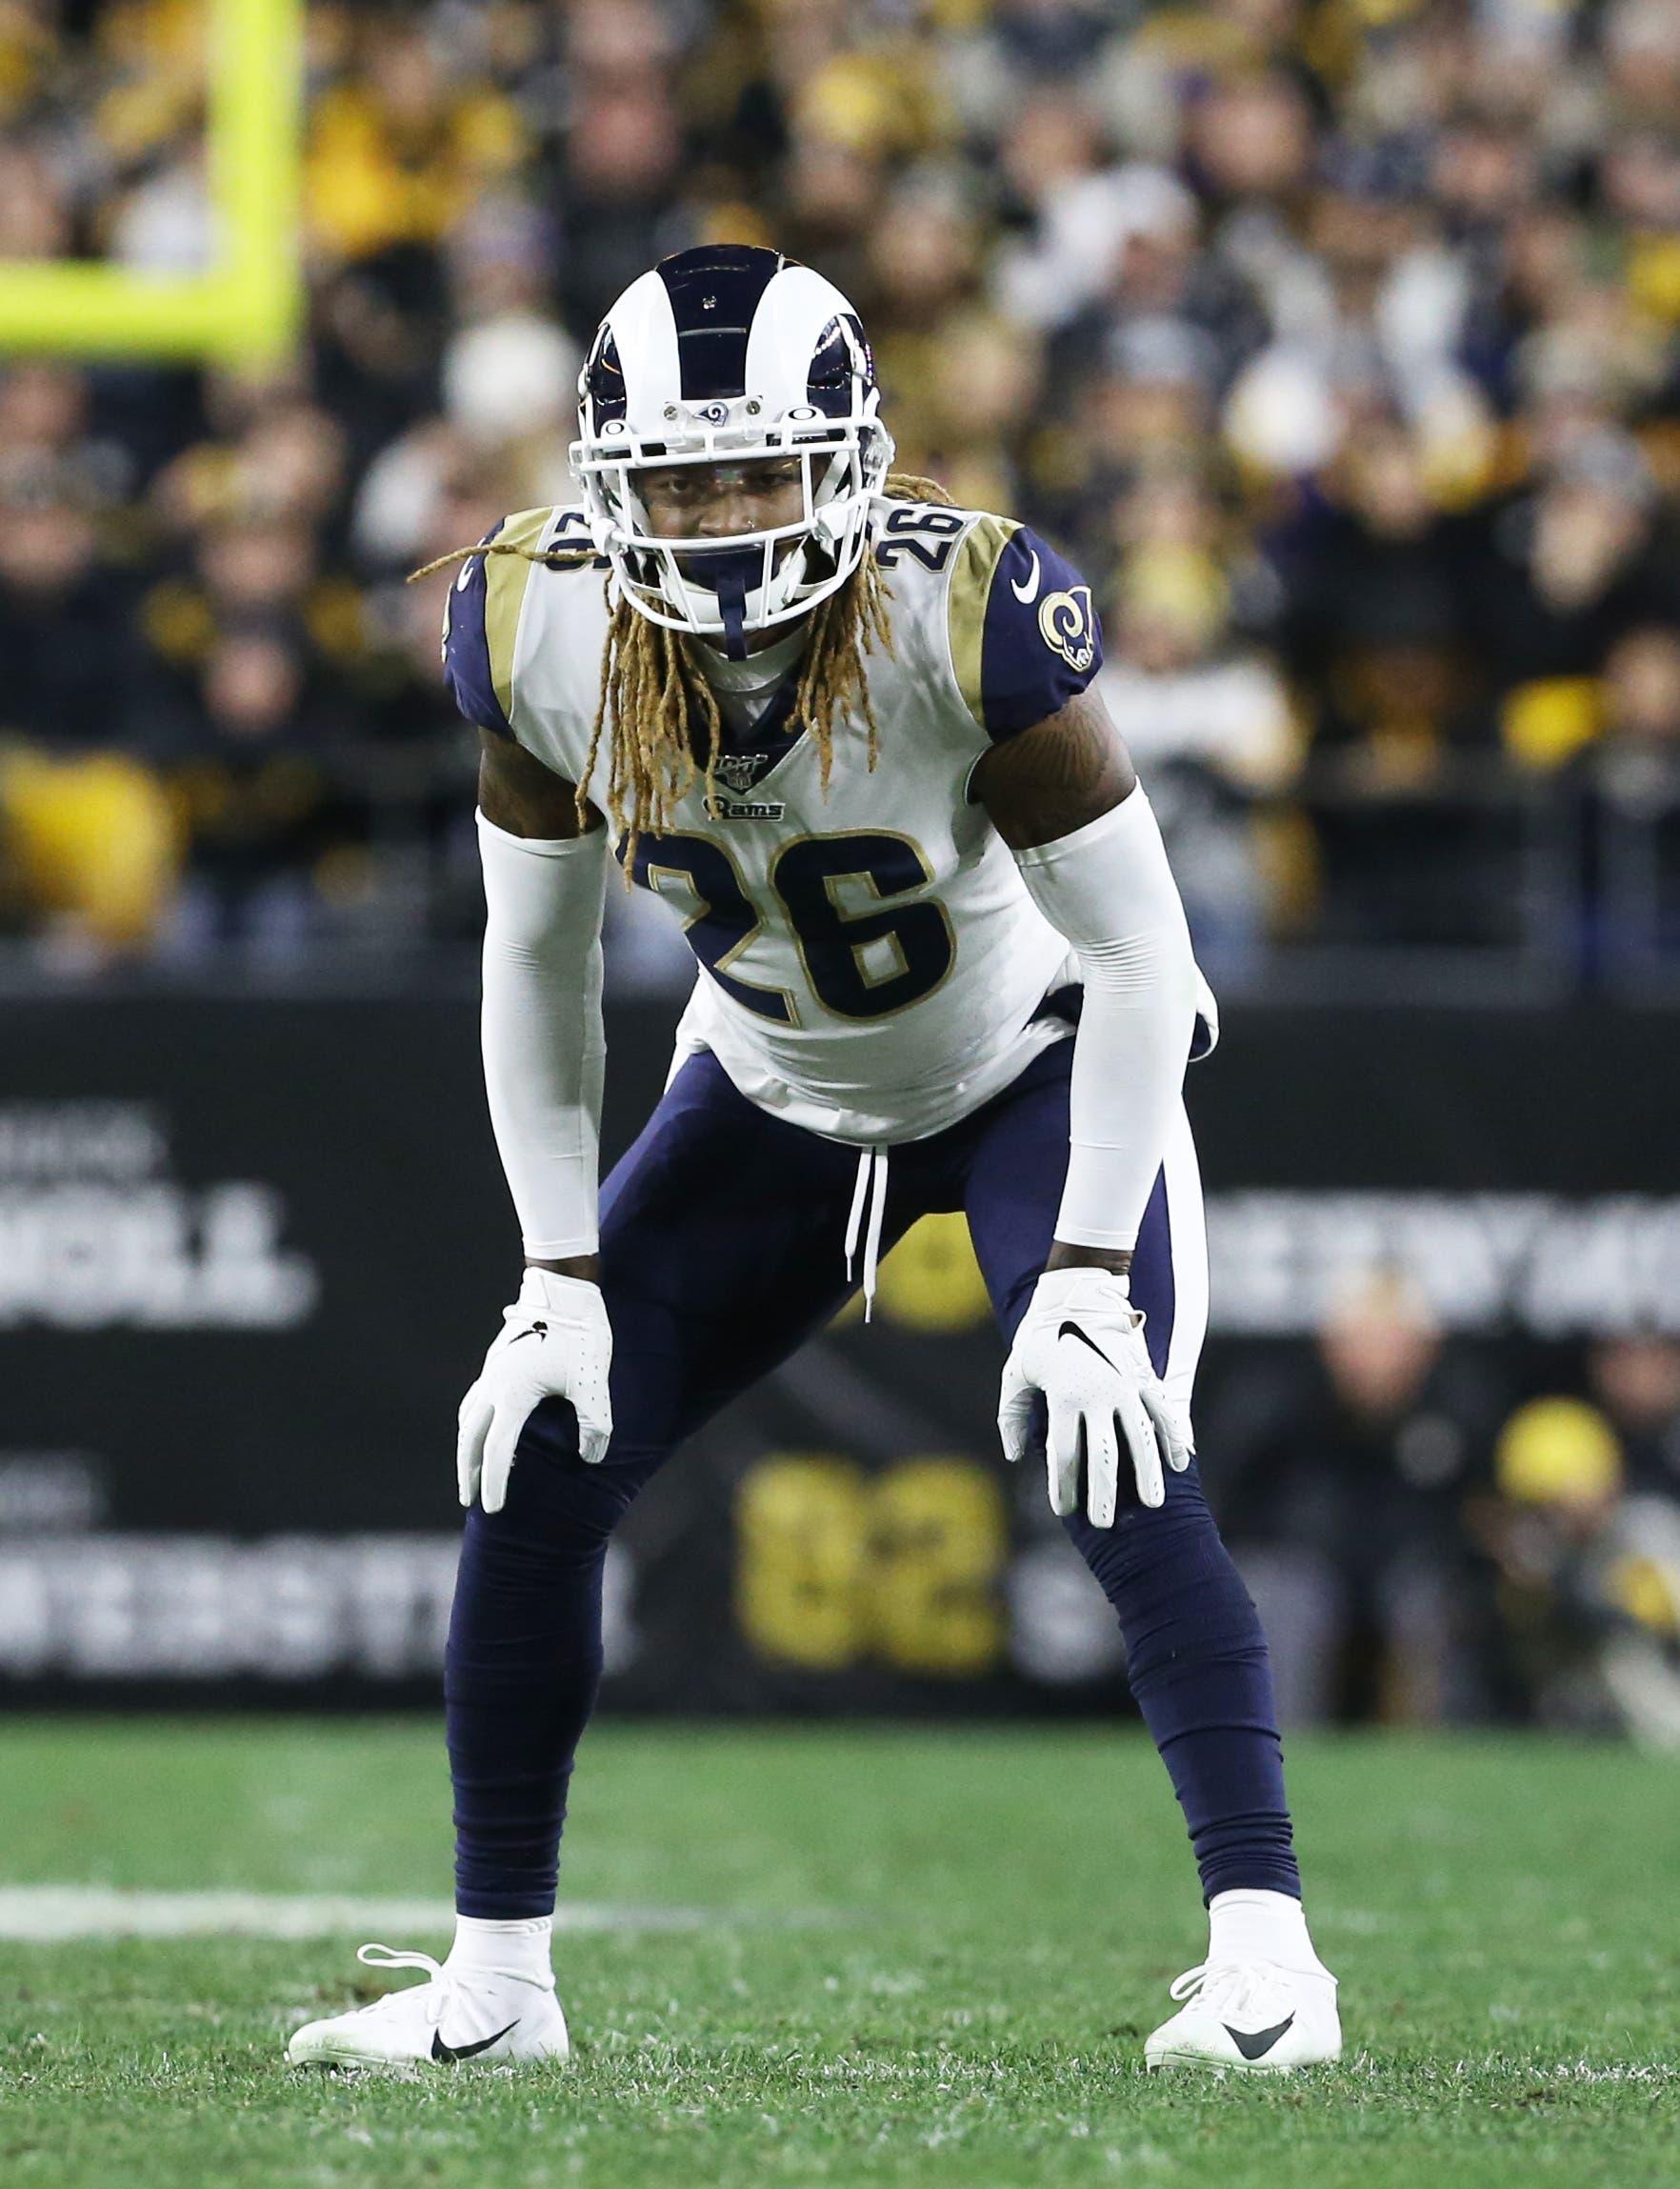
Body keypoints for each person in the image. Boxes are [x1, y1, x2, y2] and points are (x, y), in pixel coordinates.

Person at [285, 246, 1340, 2076]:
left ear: (853, 453)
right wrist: (554, 1273)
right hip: (771, 1086)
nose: (721, 518)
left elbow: (1146, 961)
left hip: (1029, 1068)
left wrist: (1085, 1273)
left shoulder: (973, 610)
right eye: (686, 478)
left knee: (1120, 1452)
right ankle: (499, 1987)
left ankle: (1270, 1965)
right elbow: (532, 959)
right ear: (612, 474)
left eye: (763, 469)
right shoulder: (532, 620)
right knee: (541, 1457)